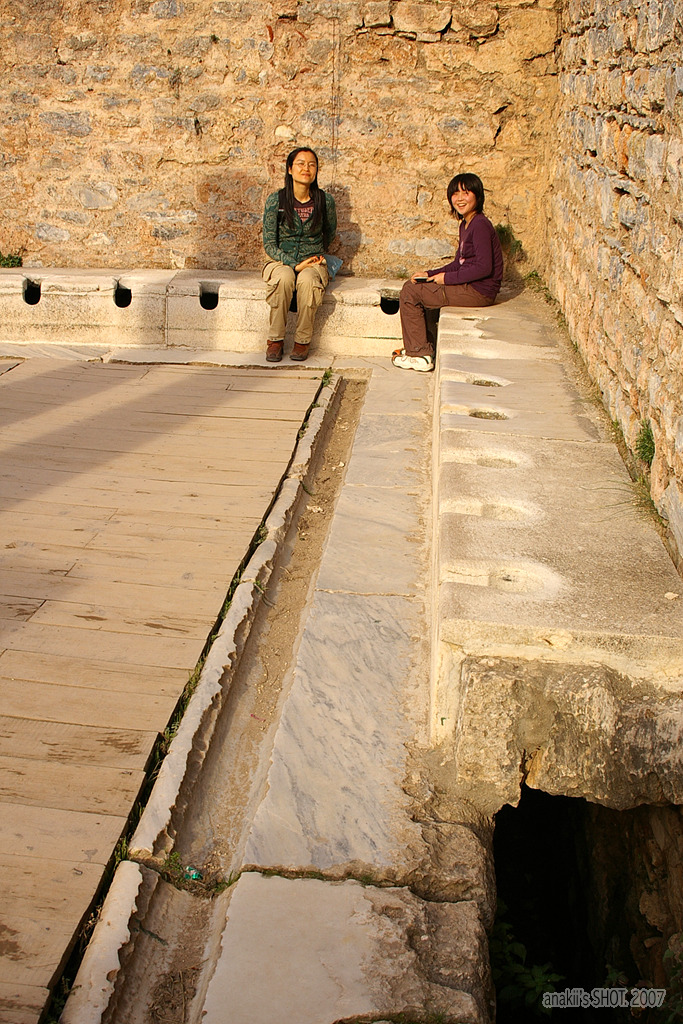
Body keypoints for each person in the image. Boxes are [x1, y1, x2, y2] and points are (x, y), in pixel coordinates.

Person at [392, 172, 503, 372]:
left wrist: (447, 279)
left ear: (477, 196)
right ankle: (424, 348)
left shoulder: (480, 225)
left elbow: (484, 267)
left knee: (410, 293)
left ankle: (419, 355)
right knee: (415, 285)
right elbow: (458, 263)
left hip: (479, 291)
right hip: (470, 286)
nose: (460, 199)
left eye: (466, 193)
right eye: (455, 194)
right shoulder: (466, 224)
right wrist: (430, 274)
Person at [261, 147, 337, 362]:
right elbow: (269, 244)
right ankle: (275, 340)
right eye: (301, 164)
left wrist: (312, 257)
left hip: (312, 261)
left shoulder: (325, 201)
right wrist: (294, 264)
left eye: (312, 164)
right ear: (290, 169)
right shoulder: (276, 200)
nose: (306, 169)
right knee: (284, 279)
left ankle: (302, 341)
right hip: (280, 260)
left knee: (308, 281)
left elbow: (329, 233)